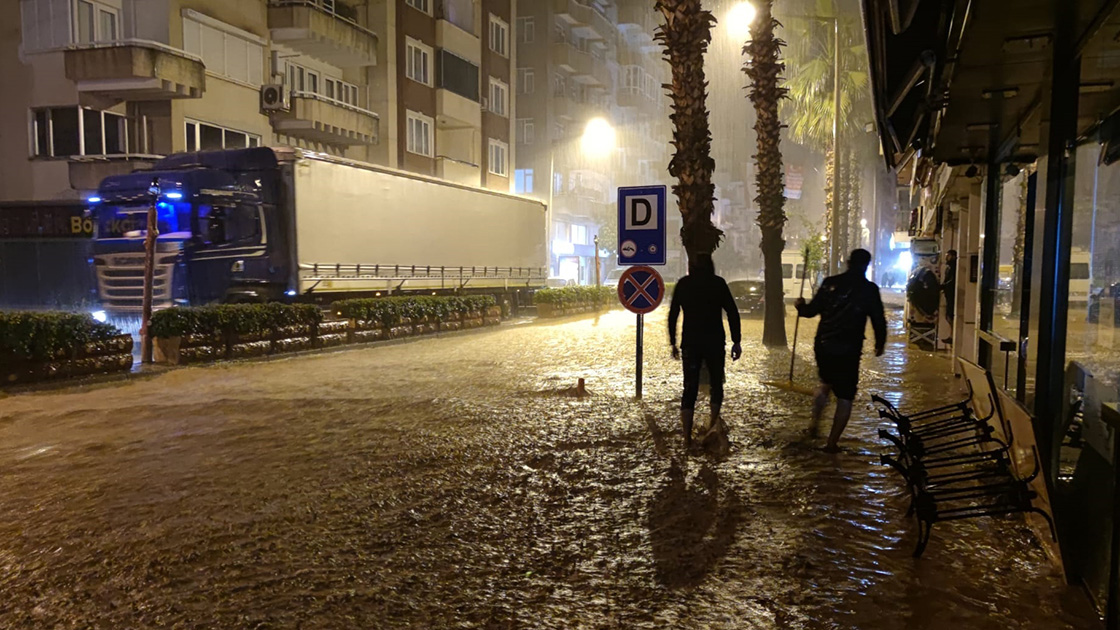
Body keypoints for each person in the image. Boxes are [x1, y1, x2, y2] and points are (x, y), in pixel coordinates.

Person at [795, 249, 887, 453]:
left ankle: (814, 425)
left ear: (848, 262)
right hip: (849, 349)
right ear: (867, 265)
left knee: (824, 383)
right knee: (845, 396)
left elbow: (810, 311)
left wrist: (800, 306)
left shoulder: (830, 283)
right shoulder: (869, 289)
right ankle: (831, 444)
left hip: (824, 345)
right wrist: (880, 343)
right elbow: (878, 319)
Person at [668, 253, 742, 448]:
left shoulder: (684, 284)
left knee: (689, 388)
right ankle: (712, 426)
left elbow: (673, 314)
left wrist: (673, 342)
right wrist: (736, 341)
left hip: (691, 343)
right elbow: (732, 312)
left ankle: (686, 437)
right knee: (716, 384)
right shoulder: (718, 284)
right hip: (714, 342)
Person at [941, 250, 957, 344]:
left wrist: (943, 286)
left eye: (948, 256)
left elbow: (952, 281)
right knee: (948, 316)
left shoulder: (954, 267)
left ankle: (952, 336)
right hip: (948, 294)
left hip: (952, 295)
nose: (946, 258)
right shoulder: (949, 267)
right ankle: (951, 335)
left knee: (950, 316)